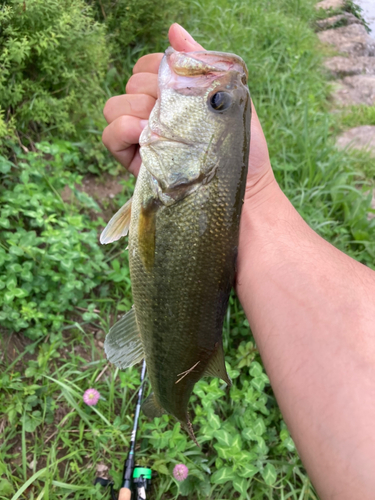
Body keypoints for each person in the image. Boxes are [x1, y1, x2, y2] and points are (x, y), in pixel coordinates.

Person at [102, 23, 375, 500]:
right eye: (219, 102)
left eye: (216, 104)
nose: (216, 94)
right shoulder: (178, 180)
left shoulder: (176, 184)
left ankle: (174, 401)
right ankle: (174, 400)